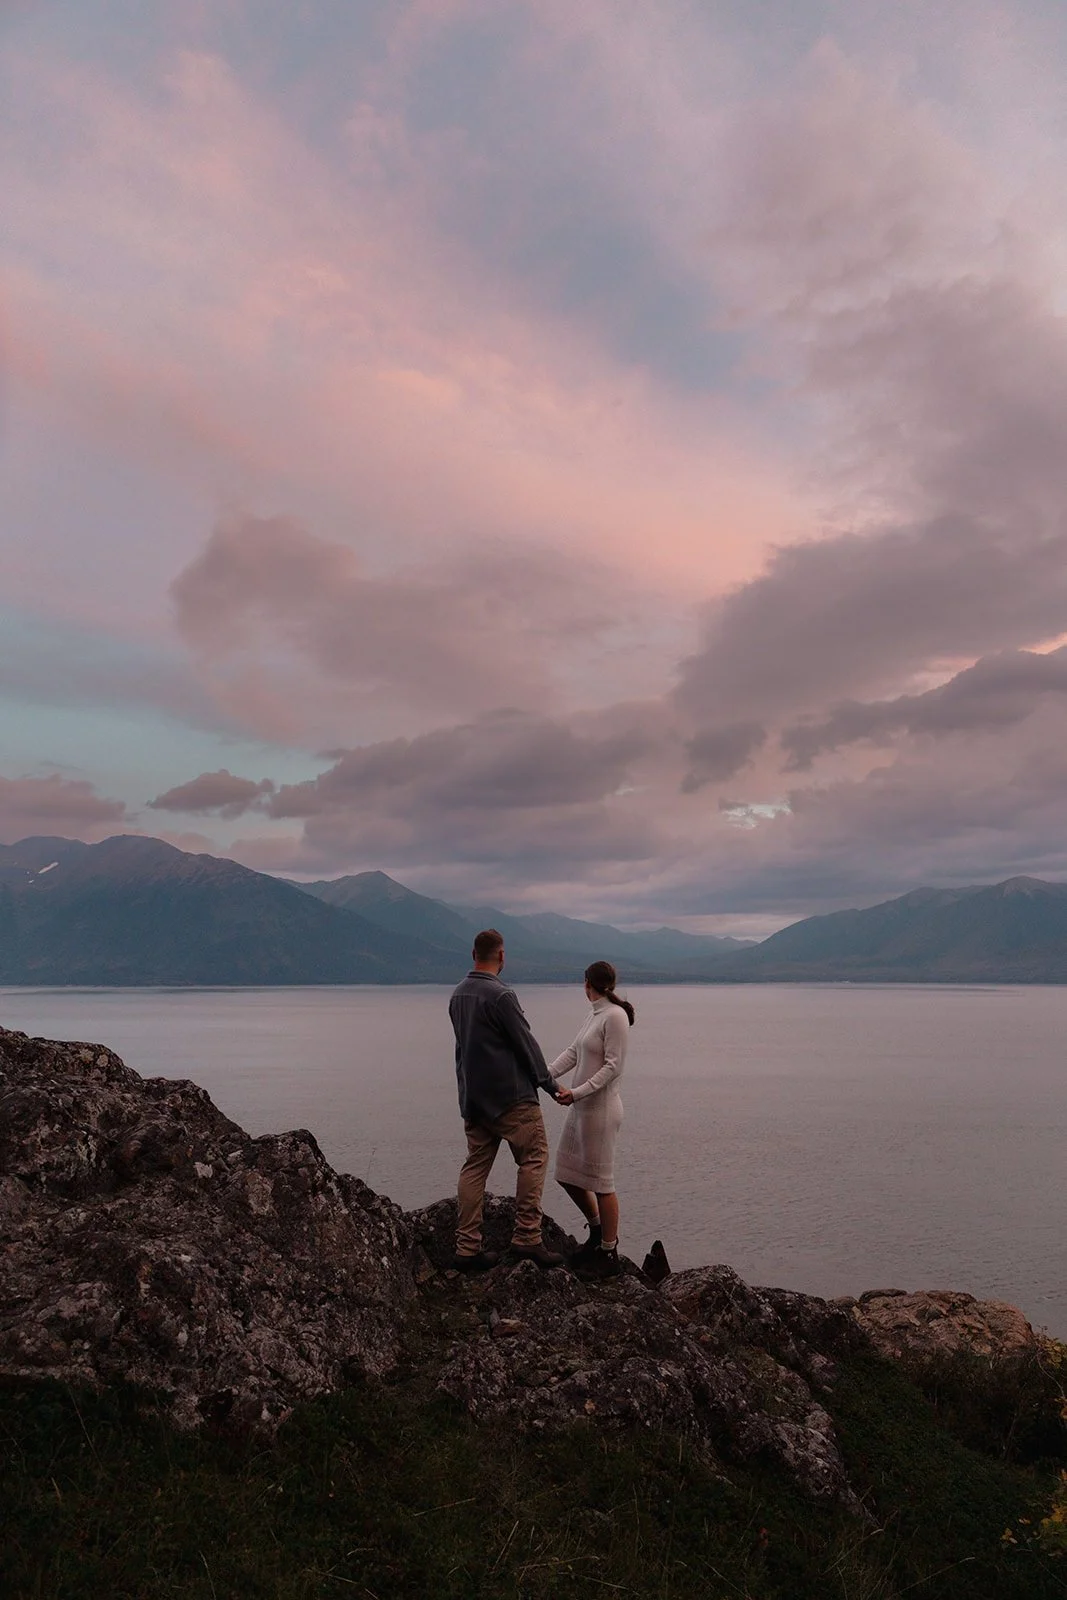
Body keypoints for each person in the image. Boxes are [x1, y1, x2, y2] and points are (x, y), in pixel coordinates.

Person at [448, 929, 565, 1272]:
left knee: (475, 1167)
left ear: (473, 954)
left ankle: (466, 1248)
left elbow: (463, 1049)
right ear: (501, 956)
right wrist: (550, 1085)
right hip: (512, 1100)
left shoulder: (458, 995)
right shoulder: (501, 996)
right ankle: (527, 1237)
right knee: (534, 1157)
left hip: (474, 1099)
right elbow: (525, 1045)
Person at [549, 960, 634, 1278]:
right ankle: (597, 1232)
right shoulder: (595, 1013)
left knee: (602, 1184)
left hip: (600, 1110)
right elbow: (574, 1052)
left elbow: (613, 1066)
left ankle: (609, 1253)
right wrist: (544, 1074)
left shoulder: (616, 1016)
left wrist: (577, 1091)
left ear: (587, 983)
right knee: (566, 1173)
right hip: (581, 1108)